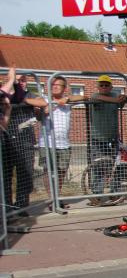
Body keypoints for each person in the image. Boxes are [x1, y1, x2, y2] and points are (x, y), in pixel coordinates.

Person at [3, 72, 48, 216]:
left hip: (26, 142)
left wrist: (24, 99)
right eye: (17, 81)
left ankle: (21, 207)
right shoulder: (5, 95)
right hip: (7, 141)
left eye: (23, 80)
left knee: (25, 175)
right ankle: (6, 207)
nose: (20, 83)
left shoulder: (29, 95)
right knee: (5, 176)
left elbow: (43, 103)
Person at [89, 74, 127, 205]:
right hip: (98, 138)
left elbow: (123, 101)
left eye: (107, 85)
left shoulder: (115, 96)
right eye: (102, 85)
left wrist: (124, 98)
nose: (104, 87)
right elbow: (96, 98)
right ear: (98, 86)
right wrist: (117, 100)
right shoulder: (95, 97)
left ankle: (114, 193)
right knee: (98, 167)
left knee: (116, 166)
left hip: (113, 138)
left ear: (111, 86)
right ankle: (97, 195)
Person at [38, 75, 74, 208]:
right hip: (47, 143)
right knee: (48, 171)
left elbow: (83, 97)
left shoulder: (67, 101)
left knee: (61, 171)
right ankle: (51, 199)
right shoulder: (44, 99)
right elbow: (39, 115)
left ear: (64, 88)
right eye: (53, 84)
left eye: (58, 85)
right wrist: (53, 105)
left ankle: (57, 197)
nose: (55, 86)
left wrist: (67, 99)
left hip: (64, 144)